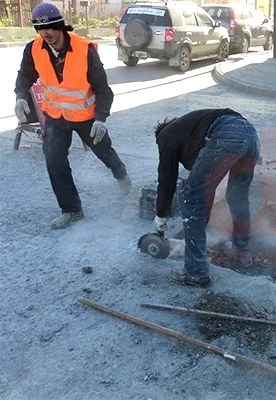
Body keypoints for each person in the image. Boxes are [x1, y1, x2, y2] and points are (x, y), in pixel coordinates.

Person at [14, 3, 131, 230]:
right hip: (56, 117)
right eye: (39, 29)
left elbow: (103, 90)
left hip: (87, 117)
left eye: (49, 28)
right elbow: (25, 76)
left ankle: (122, 175)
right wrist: (20, 96)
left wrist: (101, 119)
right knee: (54, 161)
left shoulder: (84, 51)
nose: (45, 33)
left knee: (105, 152)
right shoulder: (34, 49)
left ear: (60, 26)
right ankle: (71, 209)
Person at [153, 109, 261, 287]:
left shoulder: (166, 135)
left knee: (190, 195)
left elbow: (167, 178)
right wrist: (201, 223)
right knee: (237, 196)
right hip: (251, 135)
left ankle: (196, 271)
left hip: (229, 133)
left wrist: (161, 214)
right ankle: (243, 253)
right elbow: (206, 187)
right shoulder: (192, 129)